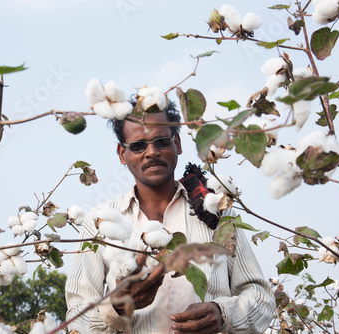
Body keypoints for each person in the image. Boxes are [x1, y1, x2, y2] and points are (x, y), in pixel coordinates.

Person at [65, 102, 275, 333]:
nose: (152, 152)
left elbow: (261, 298)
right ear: (122, 154)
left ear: (177, 143)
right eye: (138, 146)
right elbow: (76, 317)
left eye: (162, 142)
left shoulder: (216, 210)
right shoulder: (100, 221)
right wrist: (118, 308)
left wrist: (222, 312)